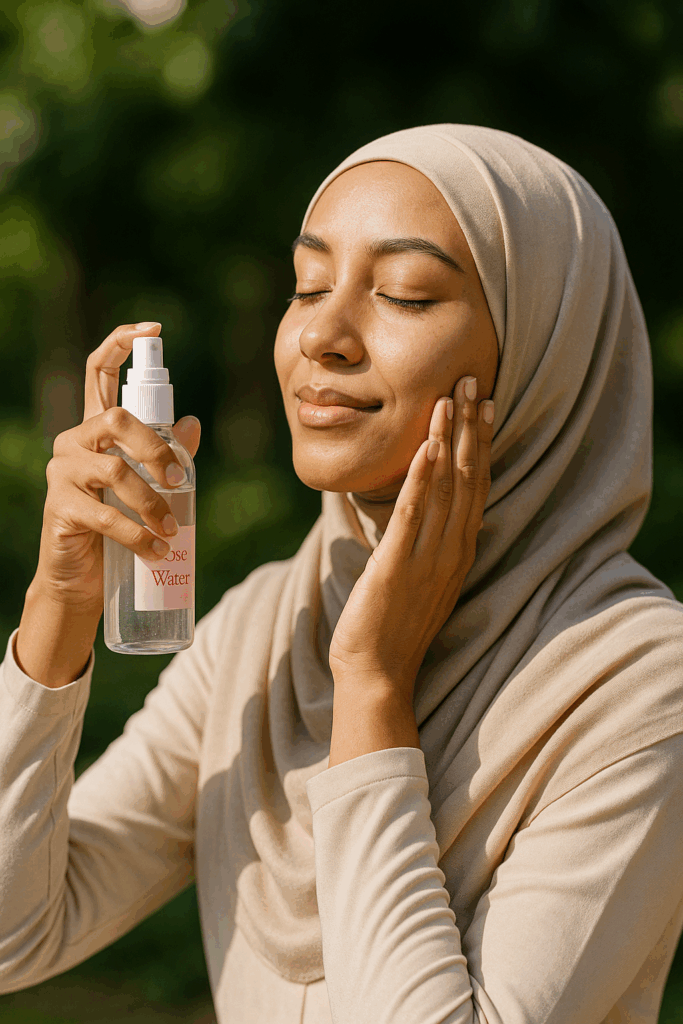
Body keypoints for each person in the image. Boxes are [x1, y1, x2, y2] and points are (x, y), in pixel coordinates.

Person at [1, 124, 683, 1024]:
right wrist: (58, 608)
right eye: (309, 284)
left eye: (403, 294)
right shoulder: (262, 630)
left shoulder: (639, 684)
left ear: (540, 356)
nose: (323, 333)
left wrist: (371, 686)